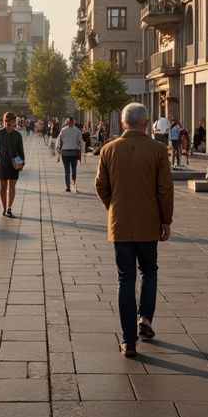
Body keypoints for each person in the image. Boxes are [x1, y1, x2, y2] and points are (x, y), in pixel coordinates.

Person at [94, 102, 173, 358]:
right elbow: (165, 190)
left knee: (125, 279)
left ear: (123, 123)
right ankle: (145, 317)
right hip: (149, 222)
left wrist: (113, 207)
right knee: (149, 270)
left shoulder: (108, 150)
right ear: (146, 123)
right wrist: (165, 220)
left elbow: (100, 186)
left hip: (120, 223)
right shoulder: (159, 150)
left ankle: (128, 341)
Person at [0, 112, 26, 217]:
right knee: (4, 186)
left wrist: (22, 162)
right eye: (7, 121)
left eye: (10, 121)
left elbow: (20, 150)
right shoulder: (0, 134)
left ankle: (8, 208)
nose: (9, 123)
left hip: (13, 162)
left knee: (11, 185)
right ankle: (5, 208)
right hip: (4, 162)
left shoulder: (16, 135)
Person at [56, 116, 84, 193]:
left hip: (66, 152)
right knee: (71, 169)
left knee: (69, 169)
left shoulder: (64, 130)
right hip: (73, 152)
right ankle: (70, 184)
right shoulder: (77, 131)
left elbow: (58, 141)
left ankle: (69, 184)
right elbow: (81, 142)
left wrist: (58, 150)